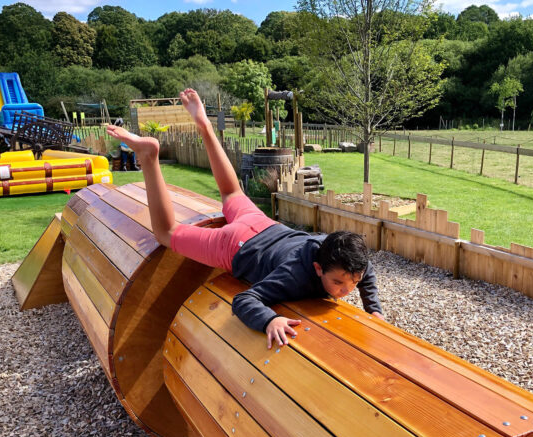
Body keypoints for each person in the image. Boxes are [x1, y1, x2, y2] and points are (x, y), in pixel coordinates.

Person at [106, 89, 384, 349]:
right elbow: (245, 299)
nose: (346, 290)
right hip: (235, 245)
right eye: (338, 283)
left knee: (231, 192)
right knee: (166, 233)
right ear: (317, 268)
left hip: (263, 225)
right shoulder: (294, 276)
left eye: (352, 283)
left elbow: (366, 270)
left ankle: (203, 123)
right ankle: (149, 157)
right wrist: (269, 320)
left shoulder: (339, 253)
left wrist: (374, 310)